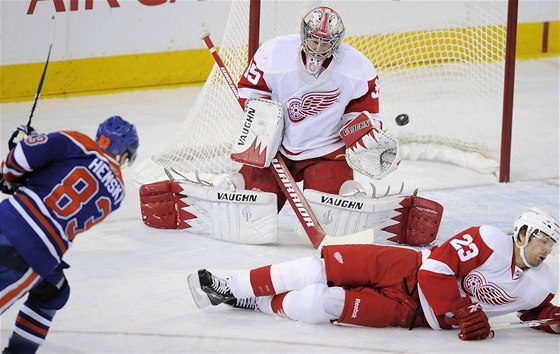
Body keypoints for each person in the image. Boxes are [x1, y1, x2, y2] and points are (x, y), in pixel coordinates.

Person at [191, 207, 560, 340]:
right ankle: (231, 284)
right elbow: (435, 272)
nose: (546, 250)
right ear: (523, 233)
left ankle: (252, 304)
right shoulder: (489, 239)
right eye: (543, 240)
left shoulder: (542, 283)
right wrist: (463, 310)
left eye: (552, 246)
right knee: (315, 268)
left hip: (413, 314)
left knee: (327, 301)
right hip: (405, 268)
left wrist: (554, 322)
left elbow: (538, 314)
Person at [236, 6, 400, 211]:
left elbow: (363, 114)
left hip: (327, 152)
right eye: (315, 40)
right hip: (273, 150)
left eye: (326, 43)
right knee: (253, 212)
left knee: (334, 216)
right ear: (304, 34)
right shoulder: (274, 53)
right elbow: (250, 92)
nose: (319, 48)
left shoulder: (358, 69)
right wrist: (264, 124)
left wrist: (363, 137)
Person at [0, 116, 139, 353]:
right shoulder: (117, 192)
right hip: (34, 253)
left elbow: (17, 163)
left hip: (9, 221)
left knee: (55, 292)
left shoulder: (78, 141)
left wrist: (21, 150)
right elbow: (60, 212)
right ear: (124, 153)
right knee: (53, 293)